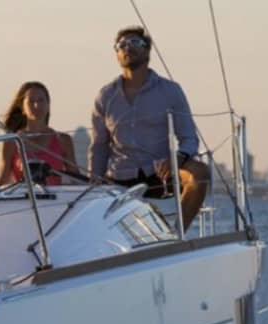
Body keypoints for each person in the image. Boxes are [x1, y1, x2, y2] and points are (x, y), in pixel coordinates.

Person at [88, 27, 210, 229]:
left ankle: (175, 235)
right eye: (122, 45)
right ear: (117, 54)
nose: (128, 47)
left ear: (147, 51)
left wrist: (177, 159)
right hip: (119, 178)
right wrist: (94, 183)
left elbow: (189, 138)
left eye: (135, 43)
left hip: (160, 174)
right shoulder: (105, 96)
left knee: (201, 173)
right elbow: (99, 146)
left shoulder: (170, 91)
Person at [0, 81, 77, 186]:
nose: (36, 105)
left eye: (41, 100)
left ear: (48, 105)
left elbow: (76, 179)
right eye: (31, 101)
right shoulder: (11, 142)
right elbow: (2, 183)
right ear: (22, 108)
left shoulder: (63, 140)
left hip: (56, 200)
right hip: (23, 200)